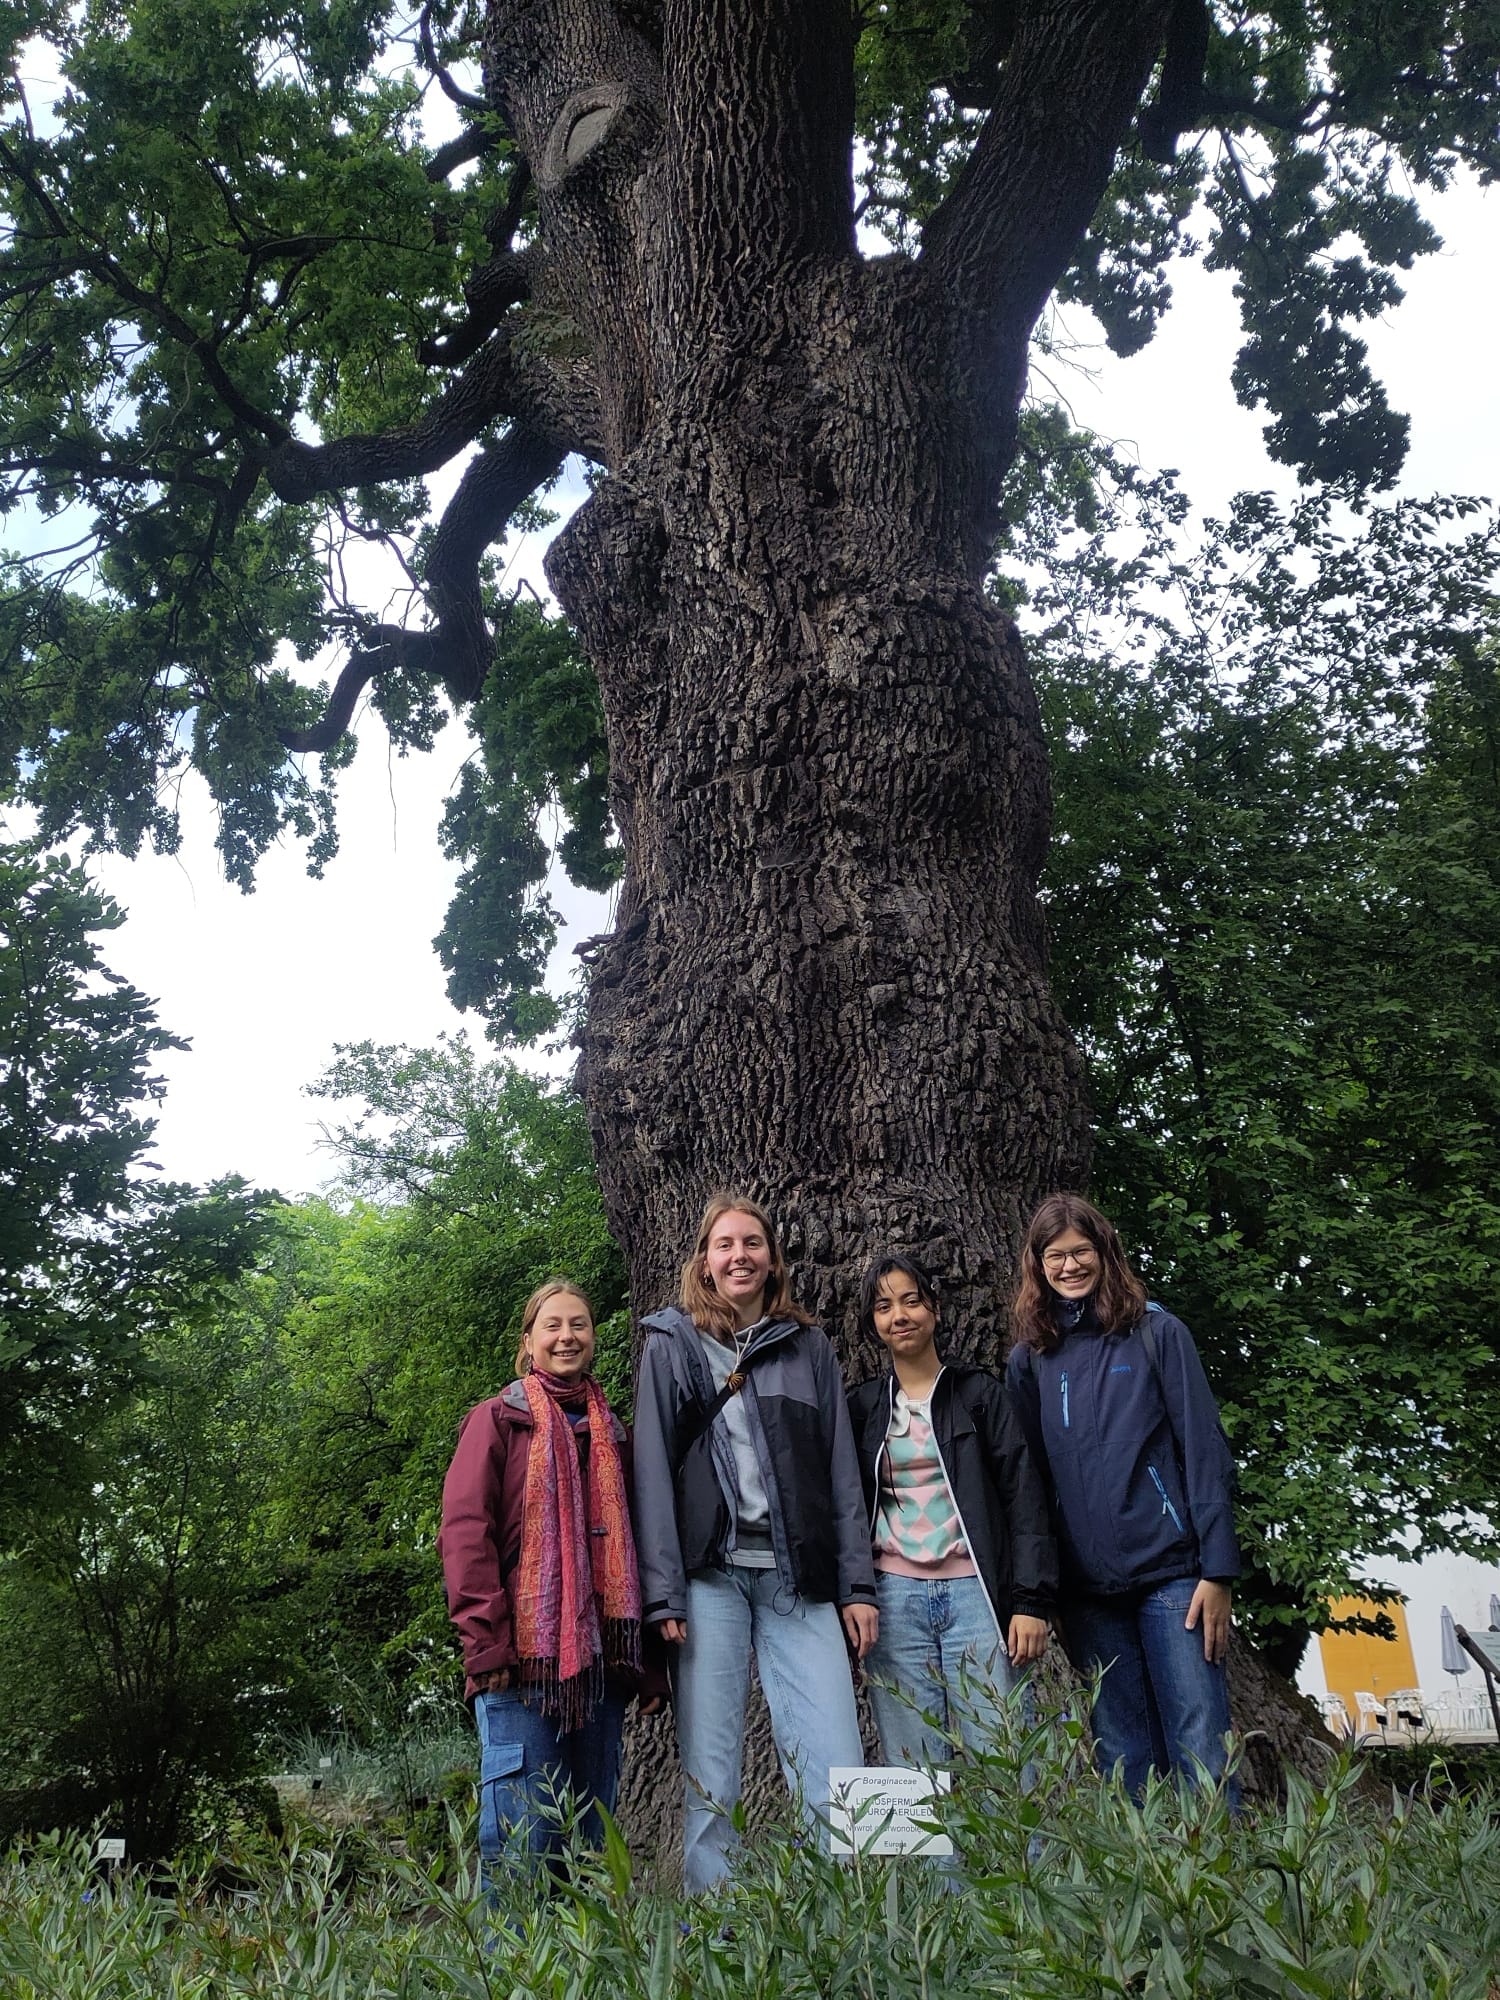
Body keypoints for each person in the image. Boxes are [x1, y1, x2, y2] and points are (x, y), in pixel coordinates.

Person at [632, 1193, 876, 1894]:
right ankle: (717, 1930)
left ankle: (840, 1916)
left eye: (752, 1243)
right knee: (711, 1773)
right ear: (703, 1262)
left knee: (837, 1760)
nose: (739, 1255)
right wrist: (662, 1592)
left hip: (796, 1580)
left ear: (773, 1260)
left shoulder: (808, 1347)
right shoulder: (671, 1345)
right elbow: (650, 1473)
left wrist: (857, 1586)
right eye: (724, 1244)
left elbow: (840, 1476)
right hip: (710, 1583)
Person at [1005, 1193, 1240, 1802]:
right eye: (1055, 1256)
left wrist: (1218, 1571)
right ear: (1038, 1266)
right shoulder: (1031, 1361)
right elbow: (1029, 1483)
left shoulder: (1158, 1333)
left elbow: (1204, 1451)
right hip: (1087, 1594)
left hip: (1175, 1577)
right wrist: (1045, 1587)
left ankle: (1222, 1888)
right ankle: (1153, 1888)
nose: (1070, 1266)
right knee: (1121, 1749)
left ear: (1105, 1252)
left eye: (1081, 1251)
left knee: (1201, 1741)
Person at [439, 1279, 663, 1880]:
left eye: (580, 1325)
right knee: (521, 1844)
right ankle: (511, 1974)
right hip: (517, 1669)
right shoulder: (498, 1421)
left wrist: (645, 1665)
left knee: (588, 1847)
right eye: (554, 1326)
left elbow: (637, 1551)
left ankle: (583, 1976)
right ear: (528, 1343)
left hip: (601, 1674)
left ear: (594, 1337)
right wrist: (486, 1649)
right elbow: (465, 1537)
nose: (568, 1336)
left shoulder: (614, 1433)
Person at [847, 1253, 1056, 1774]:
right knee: (914, 1766)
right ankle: (929, 1863)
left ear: (935, 1310)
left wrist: (1030, 1602)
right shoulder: (863, 1408)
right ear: (874, 1324)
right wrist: (854, 1594)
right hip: (894, 1603)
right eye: (884, 1306)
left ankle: (1015, 1860)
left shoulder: (980, 1395)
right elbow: (843, 1512)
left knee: (1005, 1756)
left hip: (978, 1598)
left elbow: (1024, 1499)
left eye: (911, 1301)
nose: (899, 1316)